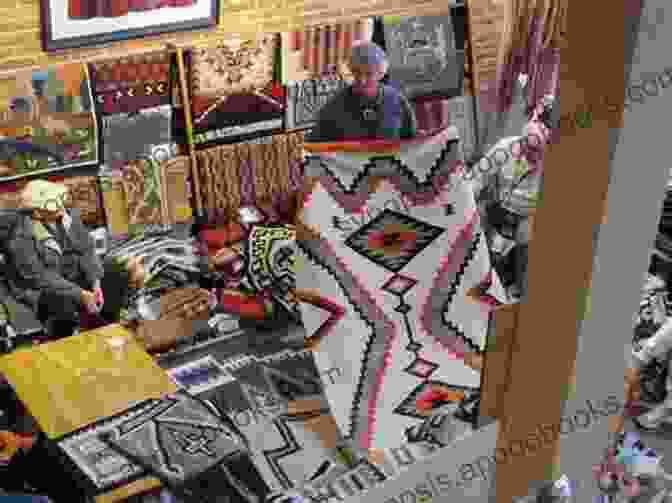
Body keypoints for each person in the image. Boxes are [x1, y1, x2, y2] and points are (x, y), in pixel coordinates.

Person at [4, 180, 104, 339]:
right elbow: (41, 278)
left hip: (69, 276)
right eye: (52, 204)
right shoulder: (21, 238)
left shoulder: (68, 217)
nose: (60, 206)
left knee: (112, 279)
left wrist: (95, 281)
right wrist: (81, 294)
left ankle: (102, 330)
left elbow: (86, 248)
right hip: (42, 290)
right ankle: (63, 339)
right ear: (37, 213)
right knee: (62, 308)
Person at [306, 42, 418, 142]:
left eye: (369, 74)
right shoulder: (334, 106)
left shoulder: (397, 100)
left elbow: (411, 141)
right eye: (357, 72)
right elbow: (316, 145)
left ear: (380, 74)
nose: (362, 80)